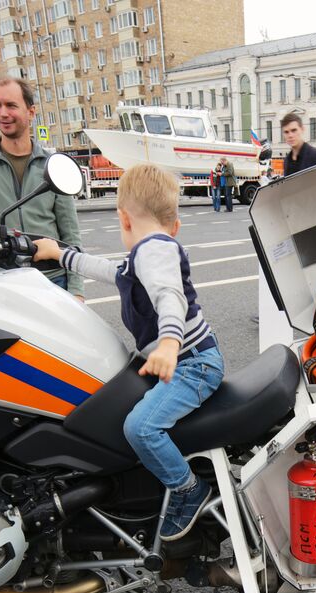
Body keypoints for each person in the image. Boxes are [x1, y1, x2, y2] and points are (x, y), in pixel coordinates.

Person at [34, 163, 223, 540]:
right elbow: (110, 271)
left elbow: (169, 296)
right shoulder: (144, 253)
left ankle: (188, 490)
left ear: (122, 218)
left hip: (192, 364)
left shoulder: (154, 251)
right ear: (175, 224)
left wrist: (169, 343)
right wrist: (60, 254)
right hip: (182, 360)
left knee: (140, 428)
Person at [0, 77, 83, 298]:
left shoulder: (52, 163)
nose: (2, 113)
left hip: (54, 280)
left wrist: (76, 289)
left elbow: (70, 231)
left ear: (31, 112)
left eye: (11, 105)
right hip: (6, 283)